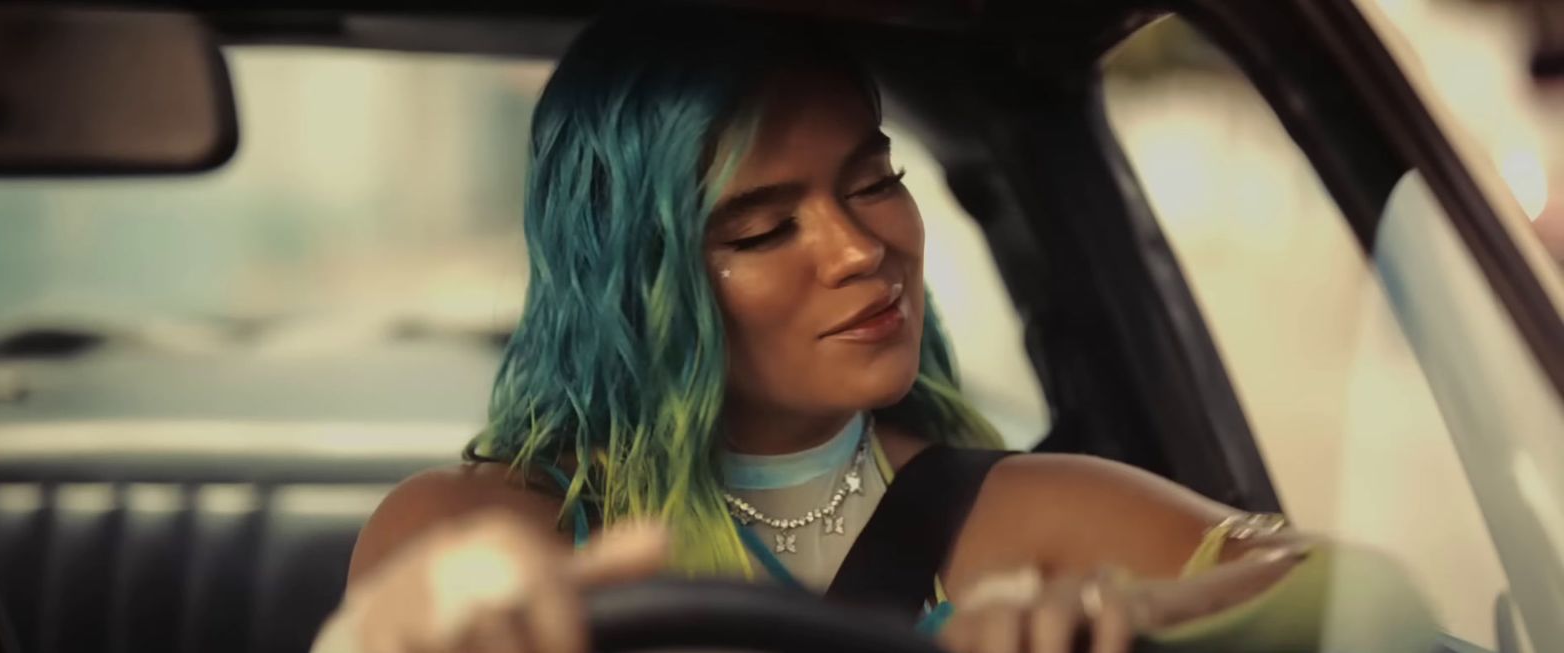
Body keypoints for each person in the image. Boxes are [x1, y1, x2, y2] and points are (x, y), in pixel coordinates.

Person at [313, 7, 1439, 653]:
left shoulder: (1023, 513)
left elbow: (1363, 602)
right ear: (635, 287)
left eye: (871, 182)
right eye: (761, 229)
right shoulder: (486, 521)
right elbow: (412, 615)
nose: (859, 249)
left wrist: (1121, 614)